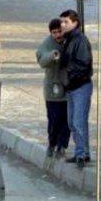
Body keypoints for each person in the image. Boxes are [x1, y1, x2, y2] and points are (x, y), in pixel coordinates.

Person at [58, 9, 93, 167]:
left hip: (80, 85)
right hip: (71, 86)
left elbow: (84, 64)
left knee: (78, 122)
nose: (62, 24)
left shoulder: (80, 40)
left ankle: (82, 154)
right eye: (61, 21)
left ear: (75, 23)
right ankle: (81, 151)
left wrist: (67, 70)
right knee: (72, 122)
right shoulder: (68, 39)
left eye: (66, 22)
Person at [36, 17, 70, 160]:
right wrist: (52, 55)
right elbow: (41, 60)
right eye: (54, 32)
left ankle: (62, 146)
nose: (57, 35)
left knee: (66, 120)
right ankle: (52, 144)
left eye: (59, 32)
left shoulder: (70, 41)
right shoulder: (47, 44)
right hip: (53, 89)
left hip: (68, 87)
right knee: (53, 119)